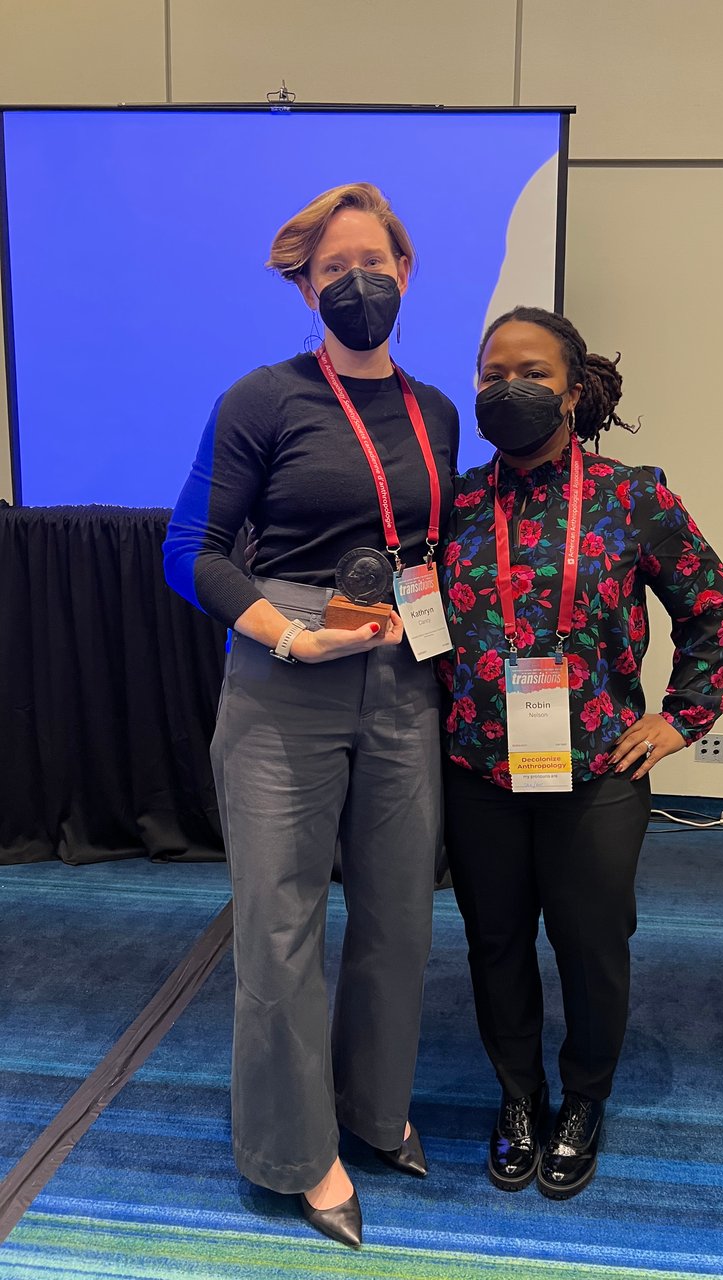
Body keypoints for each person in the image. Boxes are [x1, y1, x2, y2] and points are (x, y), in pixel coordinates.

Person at [163, 183, 459, 1248]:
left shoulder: (436, 410)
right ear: (303, 283)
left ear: (408, 270)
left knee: (398, 913)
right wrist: (288, 634)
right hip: (286, 670)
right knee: (281, 925)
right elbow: (186, 548)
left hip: (400, 672)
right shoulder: (263, 398)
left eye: (374, 261)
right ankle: (300, 1152)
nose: (358, 283)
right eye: (334, 269)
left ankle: (375, 1111)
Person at [437, 306, 723, 1200]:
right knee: (494, 942)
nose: (507, 388)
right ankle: (519, 1097)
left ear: (575, 391)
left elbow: (712, 604)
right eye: (492, 374)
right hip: (480, 770)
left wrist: (683, 718)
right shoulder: (453, 504)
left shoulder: (632, 495)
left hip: (600, 771)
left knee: (591, 943)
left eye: (530, 373)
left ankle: (585, 1099)